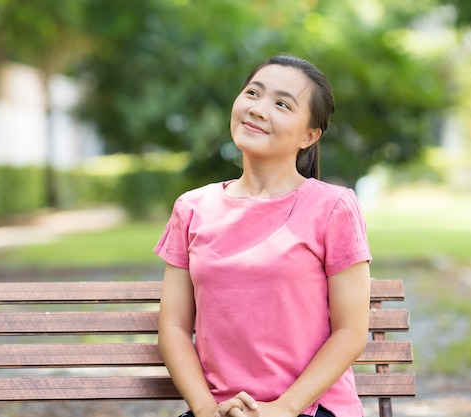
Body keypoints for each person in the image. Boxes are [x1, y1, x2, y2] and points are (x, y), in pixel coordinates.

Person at [154, 54, 372, 417]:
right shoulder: (192, 208)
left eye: (281, 103)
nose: (257, 109)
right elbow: (173, 327)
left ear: (309, 135)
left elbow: (350, 331)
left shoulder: (333, 207)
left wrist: (284, 409)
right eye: (253, 93)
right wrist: (207, 410)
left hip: (309, 409)